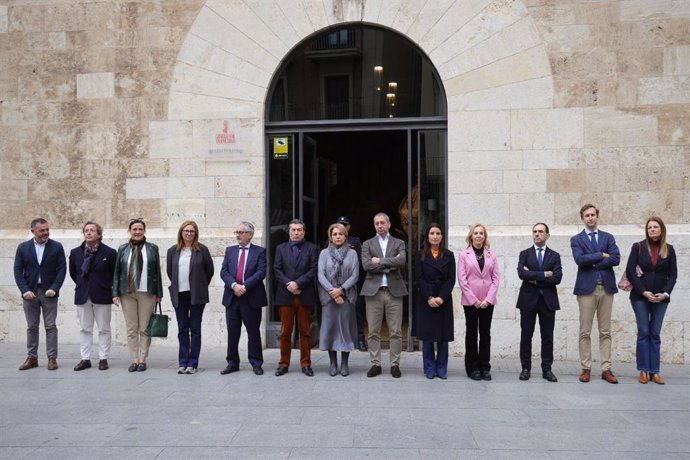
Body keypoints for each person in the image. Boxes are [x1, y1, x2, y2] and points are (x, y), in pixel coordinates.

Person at [570, 204, 620, 384]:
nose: (590, 218)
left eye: (593, 215)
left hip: (606, 288)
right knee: (585, 331)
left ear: (597, 216)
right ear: (582, 218)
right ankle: (586, 368)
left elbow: (616, 258)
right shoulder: (576, 239)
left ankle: (606, 368)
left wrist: (593, 261)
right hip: (586, 289)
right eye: (586, 215)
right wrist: (601, 254)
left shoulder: (608, 237)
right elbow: (579, 260)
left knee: (605, 331)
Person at [626, 216, 677, 385]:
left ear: (662, 229)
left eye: (655, 227)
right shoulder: (638, 247)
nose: (652, 229)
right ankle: (643, 370)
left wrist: (665, 293)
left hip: (661, 298)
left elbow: (673, 275)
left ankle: (655, 372)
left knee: (655, 334)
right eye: (649, 227)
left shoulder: (669, 249)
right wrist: (643, 292)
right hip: (640, 297)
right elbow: (631, 272)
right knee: (644, 332)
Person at [14, 218, 66, 371]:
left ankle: (52, 358)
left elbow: (62, 269)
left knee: (50, 326)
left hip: (49, 292)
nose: (45, 233)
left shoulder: (56, 247)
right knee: (32, 326)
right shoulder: (23, 247)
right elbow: (18, 270)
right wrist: (24, 291)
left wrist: (55, 288)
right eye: (42, 230)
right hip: (30, 292)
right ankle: (32, 357)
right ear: (33, 231)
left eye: (47, 230)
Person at [112, 218, 163, 372]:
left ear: (144, 231)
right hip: (127, 293)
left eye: (140, 229)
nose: (137, 232)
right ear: (130, 231)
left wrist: (159, 293)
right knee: (131, 328)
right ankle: (134, 359)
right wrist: (115, 293)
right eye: (134, 229)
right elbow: (117, 272)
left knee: (145, 327)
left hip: (147, 292)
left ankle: (142, 359)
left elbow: (157, 272)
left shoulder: (152, 248)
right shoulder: (122, 249)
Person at [360, 212, 407, 378]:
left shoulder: (399, 242)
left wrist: (379, 261)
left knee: (395, 331)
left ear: (388, 224)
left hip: (394, 292)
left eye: (382, 223)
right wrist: (390, 263)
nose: (379, 226)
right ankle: (375, 364)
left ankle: (395, 364)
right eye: (376, 223)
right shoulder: (367, 244)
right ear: (374, 225)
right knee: (373, 331)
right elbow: (366, 265)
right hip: (374, 293)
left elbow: (401, 261)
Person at [166, 220, 214, 375]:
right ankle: (183, 362)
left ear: (196, 234)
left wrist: (199, 285)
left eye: (191, 231)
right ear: (181, 232)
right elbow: (169, 272)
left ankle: (193, 363)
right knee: (182, 329)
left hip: (196, 295)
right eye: (186, 231)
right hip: (179, 294)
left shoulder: (202, 250)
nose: (188, 233)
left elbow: (209, 271)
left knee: (195, 328)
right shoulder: (173, 251)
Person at [220, 221, 268, 376]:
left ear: (250, 234)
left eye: (241, 232)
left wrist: (244, 287)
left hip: (251, 297)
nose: (238, 235)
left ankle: (256, 363)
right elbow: (224, 272)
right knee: (232, 332)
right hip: (232, 297)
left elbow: (261, 273)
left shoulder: (260, 251)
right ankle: (232, 363)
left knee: (253, 332)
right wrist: (234, 285)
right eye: (237, 232)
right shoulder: (230, 251)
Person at [516, 223, 562, 382]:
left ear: (547, 235)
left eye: (541, 232)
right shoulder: (524, 254)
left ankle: (547, 369)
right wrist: (544, 274)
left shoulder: (555, 256)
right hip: (528, 300)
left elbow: (557, 278)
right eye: (535, 232)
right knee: (526, 335)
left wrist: (534, 278)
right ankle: (525, 368)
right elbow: (522, 274)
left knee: (547, 336)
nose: (537, 234)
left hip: (547, 301)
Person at [69, 221, 117, 371]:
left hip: (102, 295)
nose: (88, 233)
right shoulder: (75, 252)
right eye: (86, 230)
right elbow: (73, 273)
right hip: (83, 294)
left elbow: (114, 273)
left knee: (104, 328)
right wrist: (82, 286)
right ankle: (85, 358)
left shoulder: (109, 252)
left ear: (99, 234)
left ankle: (103, 358)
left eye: (92, 230)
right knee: (85, 328)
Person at [273, 219, 319, 377]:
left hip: (304, 294)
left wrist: (298, 284)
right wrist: (289, 284)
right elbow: (277, 269)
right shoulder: (280, 248)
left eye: (299, 230)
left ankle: (306, 363)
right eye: (293, 230)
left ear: (304, 232)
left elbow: (313, 269)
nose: (296, 232)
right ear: (289, 231)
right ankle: (283, 363)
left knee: (305, 332)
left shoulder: (312, 248)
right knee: (285, 332)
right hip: (285, 295)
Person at [457, 223, 499, 381]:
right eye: (476, 233)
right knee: (472, 333)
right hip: (470, 302)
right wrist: (474, 300)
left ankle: (485, 366)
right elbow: (462, 279)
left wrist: (488, 299)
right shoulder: (464, 255)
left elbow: (495, 278)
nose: (479, 236)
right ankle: (472, 367)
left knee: (485, 333)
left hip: (488, 301)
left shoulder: (491, 255)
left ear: (485, 236)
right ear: (471, 236)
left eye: (481, 233)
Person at [414, 223, 455, 379]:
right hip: (426, 299)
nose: (435, 236)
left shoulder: (449, 255)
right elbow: (419, 278)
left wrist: (441, 297)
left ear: (442, 236)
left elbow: (451, 279)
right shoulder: (420, 255)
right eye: (432, 233)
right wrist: (429, 297)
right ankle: (430, 368)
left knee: (443, 337)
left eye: (438, 233)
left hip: (443, 299)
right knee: (428, 337)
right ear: (428, 236)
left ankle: (442, 368)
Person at [318, 223, 360, 376]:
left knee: (345, 331)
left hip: (346, 298)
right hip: (328, 298)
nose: (337, 237)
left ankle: (344, 363)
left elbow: (355, 275)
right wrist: (333, 292)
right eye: (335, 234)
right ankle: (333, 363)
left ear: (345, 237)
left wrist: (341, 290)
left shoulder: (352, 254)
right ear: (330, 236)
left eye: (340, 234)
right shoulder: (323, 253)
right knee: (330, 330)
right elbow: (320, 275)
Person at [337, 215, 367, 352]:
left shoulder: (354, 241)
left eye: (345, 224)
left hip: (354, 284)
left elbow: (360, 263)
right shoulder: (331, 240)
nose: (343, 226)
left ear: (349, 227)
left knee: (358, 311)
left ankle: (360, 338)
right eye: (340, 224)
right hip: (336, 285)